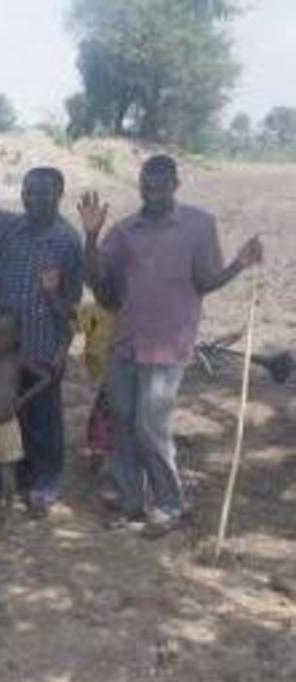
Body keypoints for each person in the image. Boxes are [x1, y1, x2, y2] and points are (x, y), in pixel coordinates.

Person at [78, 154, 264, 530]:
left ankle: (169, 503)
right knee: (123, 422)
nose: (153, 193)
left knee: (152, 426)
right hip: (126, 343)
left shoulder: (199, 226)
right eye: (147, 186)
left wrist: (239, 265)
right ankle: (130, 500)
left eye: (161, 186)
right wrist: (92, 235)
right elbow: (98, 284)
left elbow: (205, 282)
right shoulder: (124, 230)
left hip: (168, 345)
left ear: (175, 185)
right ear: (140, 185)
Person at [0, 166, 84, 510]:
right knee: (17, 414)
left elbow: (72, 309)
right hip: (7, 345)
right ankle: (21, 476)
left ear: (59, 195)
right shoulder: (13, 229)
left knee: (44, 416)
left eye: (42, 192)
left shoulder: (67, 240)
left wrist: (61, 351)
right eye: (28, 191)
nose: (32, 199)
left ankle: (46, 481)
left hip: (43, 345)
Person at [0, 311, 51, 517]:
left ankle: (8, 505)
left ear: (16, 336)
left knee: (7, 469)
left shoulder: (18, 360)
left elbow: (45, 378)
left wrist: (22, 399)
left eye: (6, 334)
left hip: (6, 423)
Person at [76, 300, 117, 475]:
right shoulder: (91, 309)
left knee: (103, 417)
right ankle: (98, 457)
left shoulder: (128, 309)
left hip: (116, 372)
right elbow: (79, 326)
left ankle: (100, 457)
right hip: (100, 374)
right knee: (102, 416)